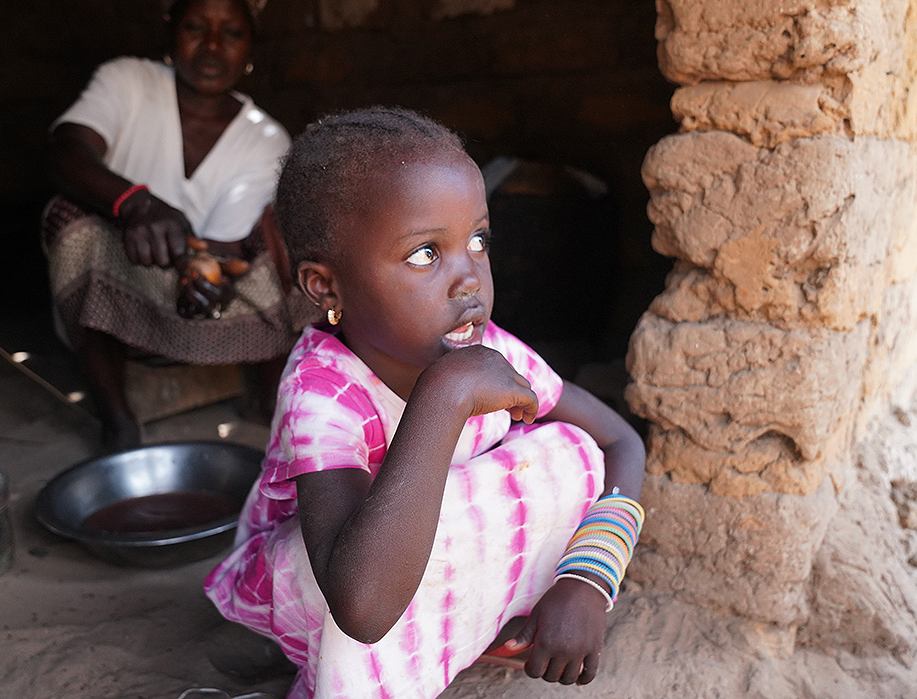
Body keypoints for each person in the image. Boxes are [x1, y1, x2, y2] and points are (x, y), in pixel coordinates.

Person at [205, 107, 647, 699]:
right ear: (326, 287)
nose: (469, 279)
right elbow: (360, 607)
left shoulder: (487, 345)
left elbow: (622, 442)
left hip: (414, 565)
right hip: (325, 586)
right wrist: (445, 395)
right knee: (386, 553)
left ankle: (478, 627)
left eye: (477, 240)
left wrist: (590, 580)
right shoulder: (322, 392)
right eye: (424, 254)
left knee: (571, 451)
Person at [43, 0, 311, 451]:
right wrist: (135, 204)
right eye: (195, 27)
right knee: (67, 217)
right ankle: (119, 422)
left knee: (285, 237)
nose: (211, 46)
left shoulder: (264, 139)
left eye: (231, 33)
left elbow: (222, 251)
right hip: (113, 302)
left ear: (250, 47)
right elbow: (64, 152)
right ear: (170, 29)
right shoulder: (128, 81)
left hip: (207, 312)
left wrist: (209, 279)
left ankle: (268, 401)